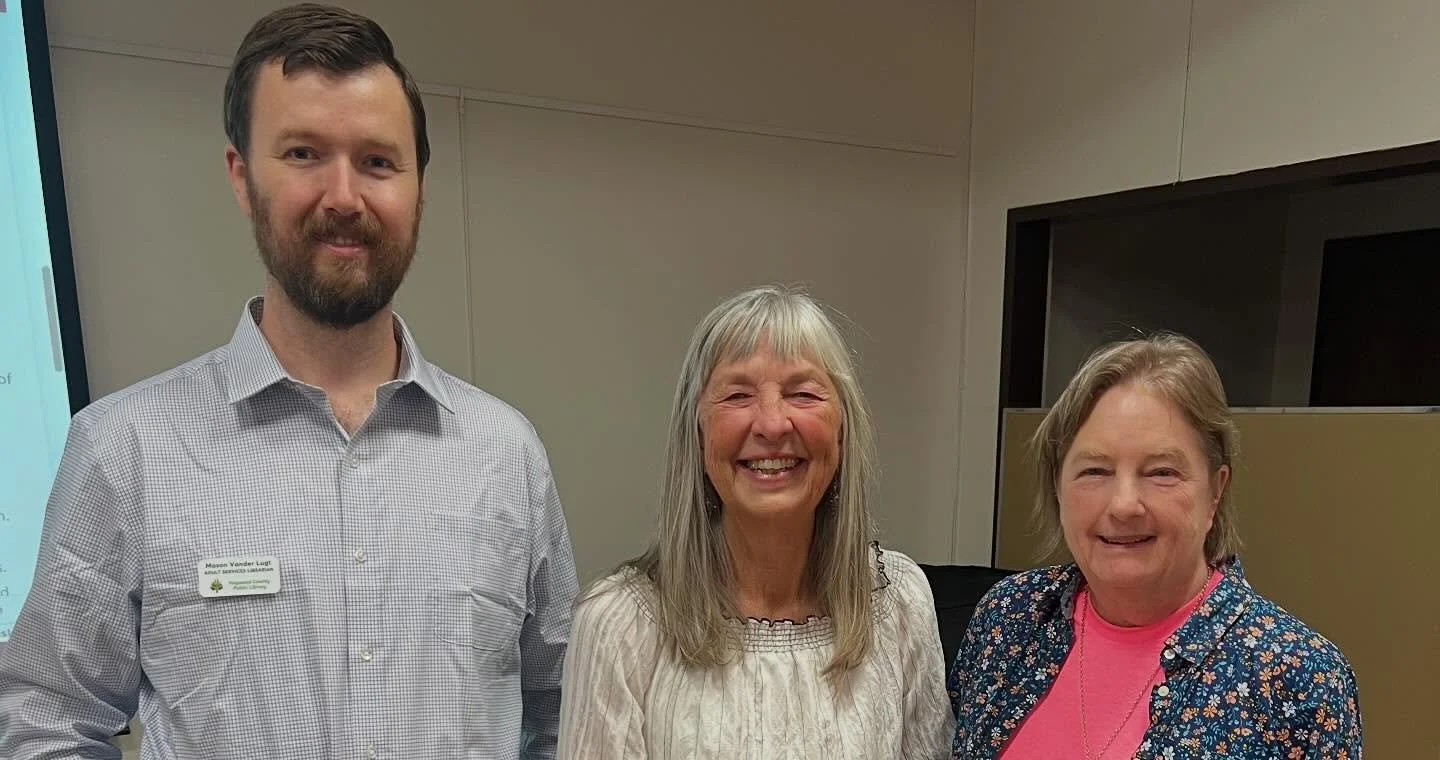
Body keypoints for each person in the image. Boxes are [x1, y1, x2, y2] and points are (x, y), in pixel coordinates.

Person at [0, 5, 577, 758]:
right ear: (242, 176)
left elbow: (566, 713)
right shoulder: (125, 449)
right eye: (304, 153)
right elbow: (48, 722)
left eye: (377, 161)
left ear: (418, 189)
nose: (344, 196)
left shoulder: (506, 452)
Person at [556, 285, 952, 759]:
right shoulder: (619, 625)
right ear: (697, 433)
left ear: (843, 431)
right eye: (738, 395)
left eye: (803, 393)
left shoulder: (899, 602)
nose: (771, 424)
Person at [947, 334, 1362, 759]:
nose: (1124, 504)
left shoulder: (1297, 675)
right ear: (1058, 488)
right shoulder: (1010, 618)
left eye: (1161, 472)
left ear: (1215, 492)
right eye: (1095, 470)